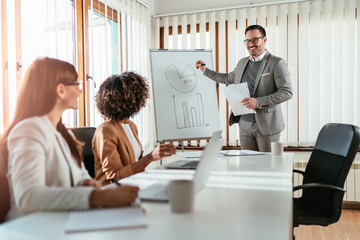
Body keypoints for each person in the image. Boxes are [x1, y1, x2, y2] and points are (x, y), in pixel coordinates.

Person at [0, 57, 139, 221]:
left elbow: (81, 177)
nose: (81, 91)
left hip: (64, 222)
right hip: (31, 228)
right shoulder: (29, 131)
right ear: (60, 90)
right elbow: (28, 197)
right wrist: (94, 197)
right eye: (77, 85)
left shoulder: (64, 134)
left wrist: (87, 184)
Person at [196, 25, 293, 152]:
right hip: (244, 124)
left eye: (254, 39)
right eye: (247, 41)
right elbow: (227, 79)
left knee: (267, 166)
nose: (250, 44)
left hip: (267, 125)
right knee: (247, 165)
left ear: (264, 40)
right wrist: (205, 70)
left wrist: (258, 102)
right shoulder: (242, 63)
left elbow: (286, 92)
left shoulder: (277, 62)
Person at [93, 72, 176, 185]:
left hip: (134, 185)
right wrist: (150, 157)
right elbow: (115, 176)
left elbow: (135, 165)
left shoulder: (131, 126)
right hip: (113, 193)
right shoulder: (105, 130)